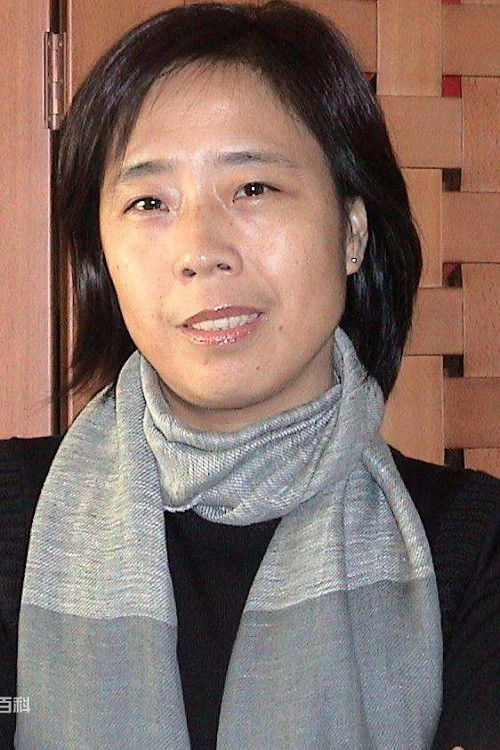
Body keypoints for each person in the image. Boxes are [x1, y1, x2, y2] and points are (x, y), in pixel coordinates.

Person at [0, 1, 498, 748]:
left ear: (352, 230)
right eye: (149, 201)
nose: (202, 249)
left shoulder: (475, 543)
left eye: (253, 189)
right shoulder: (12, 519)